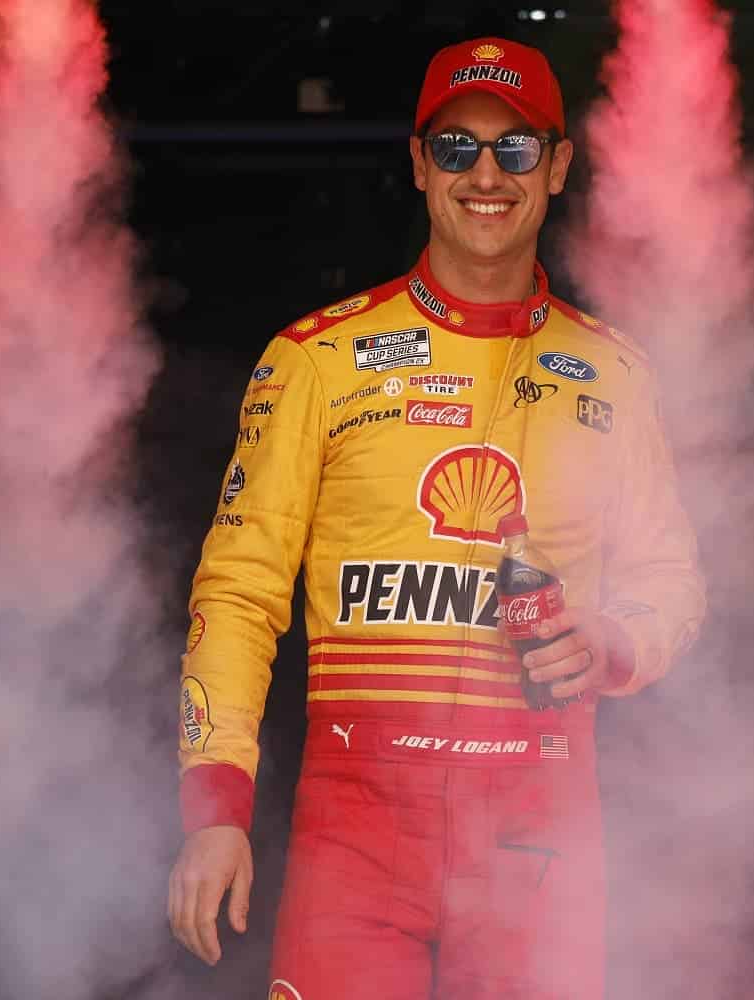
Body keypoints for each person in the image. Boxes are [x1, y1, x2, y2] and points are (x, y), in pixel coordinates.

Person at [167, 35, 705, 1000]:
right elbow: (240, 593)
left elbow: (673, 584)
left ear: (560, 165)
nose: (486, 174)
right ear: (419, 165)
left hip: (542, 850)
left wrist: (616, 643)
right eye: (457, 148)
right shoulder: (316, 359)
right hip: (357, 846)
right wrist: (216, 811)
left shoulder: (616, 375)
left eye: (516, 148)